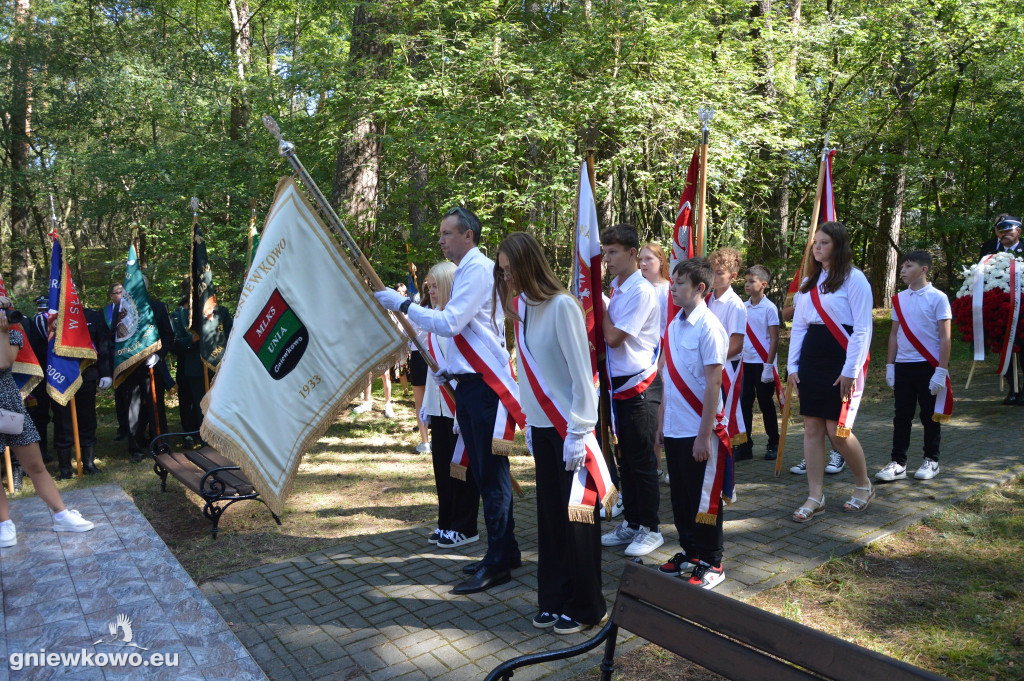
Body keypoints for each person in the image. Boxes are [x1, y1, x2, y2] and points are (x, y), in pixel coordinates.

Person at [375, 206, 522, 595]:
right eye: (440, 233)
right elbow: (466, 332)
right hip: (470, 382)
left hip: (485, 386)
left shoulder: (476, 269)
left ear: (467, 235)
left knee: (490, 474)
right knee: (487, 473)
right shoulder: (470, 270)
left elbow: (451, 322)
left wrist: (404, 305)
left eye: (446, 233)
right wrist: (450, 368)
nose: (440, 240)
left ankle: (498, 560)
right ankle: (505, 550)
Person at [496, 232, 611, 634]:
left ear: (529, 265)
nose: (506, 278)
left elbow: (583, 376)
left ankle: (588, 605)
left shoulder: (563, 306)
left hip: (570, 429)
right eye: (502, 271)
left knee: (578, 517)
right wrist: (529, 423)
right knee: (549, 519)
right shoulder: (521, 307)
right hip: (542, 429)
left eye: (511, 270)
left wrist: (579, 430)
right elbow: (529, 376)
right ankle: (554, 596)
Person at [788, 221, 874, 522]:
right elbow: (798, 326)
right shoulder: (808, 282)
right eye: (816, 242)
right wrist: (792, 366)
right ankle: (815, 495)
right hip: (812, 356)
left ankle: (863, 485)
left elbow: (863, 329)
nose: (817, 247)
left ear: (838, 245)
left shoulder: (855, 279)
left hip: (841, 358)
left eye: (824, 242)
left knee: (838, 431)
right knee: (812, 427)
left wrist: (850, 370)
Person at [657, 257, 731, 589]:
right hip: (674, 427)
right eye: (672, 282)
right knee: (681, 497)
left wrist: (704, 436)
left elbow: (714, 384)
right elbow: (668, 380)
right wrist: (661, 424)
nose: (672, 288)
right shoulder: (674, 326)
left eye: (680, 283)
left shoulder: (710, 327)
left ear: (700, 288)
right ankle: (690, 552)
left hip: (698, 430)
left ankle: (712, 561)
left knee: (704, 500)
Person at [0, 295, 95, 546]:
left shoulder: (14, 334)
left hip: (9, 405)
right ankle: (4, 524)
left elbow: (4, 362)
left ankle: (61, 515)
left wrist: (1, 331)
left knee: (36, 465)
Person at [598, 224, 664, 558]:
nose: (607, 258)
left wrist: (597, 302)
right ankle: (634, 522)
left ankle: (651, 528)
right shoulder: (617, 287)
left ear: (633, 254)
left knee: (641, 459)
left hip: (641, 385)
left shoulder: (642, 291)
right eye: (605, 252)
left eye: (613, 252)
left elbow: (614, 337)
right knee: (626, 459)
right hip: (618, 386)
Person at [419, 262, 480, 549]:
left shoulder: (461, 321)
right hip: (438, 407)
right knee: (442, 469)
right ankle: (446, 522)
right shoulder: (431, 320)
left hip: (459, 406)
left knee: (462, 470)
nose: (431, 291)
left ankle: (465, 526)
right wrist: (428, 405)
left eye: (435, 285)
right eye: (428, 286)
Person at [877, 251, 952, 483]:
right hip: (903, 366)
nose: (902, 270)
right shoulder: (898, 298)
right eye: (902, 266)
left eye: (908, 266)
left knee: (930, 416)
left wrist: (941, 369)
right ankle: (898, 462)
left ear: (924, 269)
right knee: (902, 416)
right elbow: (893, 333)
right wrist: (890, 365)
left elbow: (945, 337)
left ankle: (932, 459)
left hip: (928, 366)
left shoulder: (938, 297)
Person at [706, 248, 748, 459]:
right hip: (707, 366)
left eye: (719, 272)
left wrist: (712, 361)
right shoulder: (707, 300)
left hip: (724, 368)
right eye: (711, 271)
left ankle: (722, 459)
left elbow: (737, 344)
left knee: (721, 414)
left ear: (733, 276)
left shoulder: (735, 304)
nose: (714, 276)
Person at [979, 215, 1024, 403]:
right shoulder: (989, 249)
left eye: (1009, 230)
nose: (1004, 234)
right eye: (1001, 230)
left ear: (1019, 231)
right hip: (998, 311)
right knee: (1004, 349)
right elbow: (979, 273)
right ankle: (1013, 390)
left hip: (1022, 310)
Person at [740, 265, 781, 461]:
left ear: (763, 285)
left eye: (751, 281)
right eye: (746, 281)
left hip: (763, 363)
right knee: (744, 404)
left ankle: (774, 442)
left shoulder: (770, 308)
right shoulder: (743, 306)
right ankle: (745, 444)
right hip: (745, 363)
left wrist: (768, 366)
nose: (747, 285)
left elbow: (774, 338)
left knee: (766, 405)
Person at [171, 294, 206, 435]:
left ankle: (205, 433)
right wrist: (190, 340)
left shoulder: (215, 312)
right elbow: (173, 344)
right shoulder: (177, 316)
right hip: (186, 366)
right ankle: (189, 434)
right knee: (187, 402)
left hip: (210, 366)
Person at [103, 282, 130, 440]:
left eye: (123, 292)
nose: (121, 295)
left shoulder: (131, 310)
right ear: (112, 295)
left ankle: (135, 427)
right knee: (119, 395)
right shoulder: (105, 313)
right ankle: (123, 427)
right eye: (118, 292)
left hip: (129, 358)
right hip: (114, 361)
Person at [639, 243, 672, 332]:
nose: (643, 263)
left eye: (648, 259)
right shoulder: (637, 288)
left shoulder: (668, 289)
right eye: (640, 259)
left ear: (661, 261)